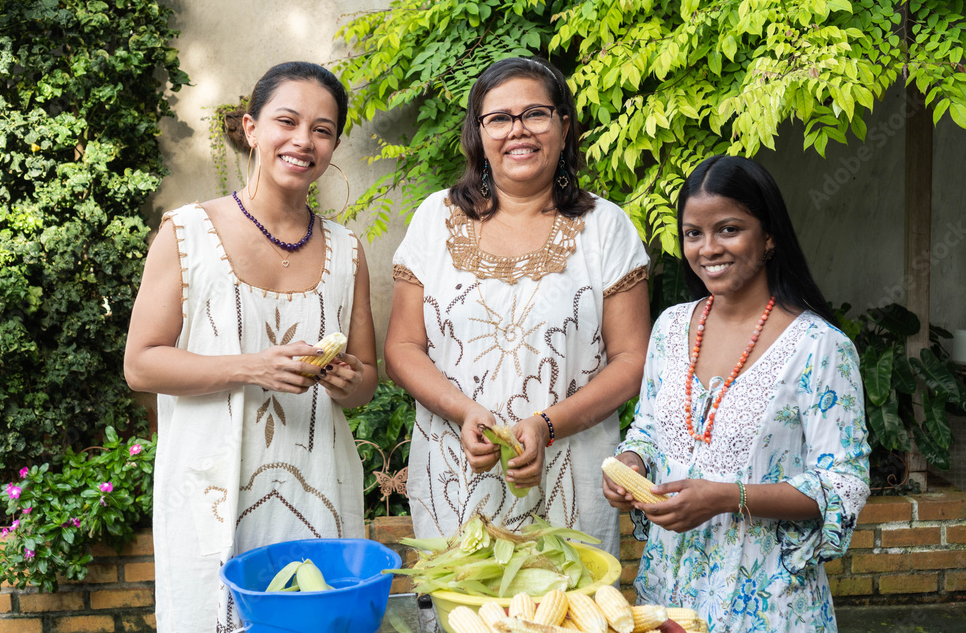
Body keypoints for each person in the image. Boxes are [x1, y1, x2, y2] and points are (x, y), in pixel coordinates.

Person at [123, 61, 377, 632]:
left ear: (334, 145)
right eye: (286, 121)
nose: (303, 141)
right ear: (252, 127)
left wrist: (345, 379)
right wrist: (253, 366)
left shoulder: (347, 251)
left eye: (323, 129)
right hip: (212, 486)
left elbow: (365, 385)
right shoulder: (187, 233)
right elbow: (141, 364)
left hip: (318, 483)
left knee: (316, 619)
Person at [385, 56, 651, 555]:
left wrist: (546, 426)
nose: (518, 131)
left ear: (564, 125)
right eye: (500, 118)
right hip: (455, 479)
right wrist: (464, 411)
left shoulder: (607, 228)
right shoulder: (433, 220)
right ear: (478, 133)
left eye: (536, 114)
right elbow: (401, 347)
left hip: (569, 481)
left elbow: (632, 361)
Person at [603, 155, 870, 632]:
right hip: (667, 599)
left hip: (769, 605)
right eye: (693, 233)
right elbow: (646, 430)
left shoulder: (820, 347)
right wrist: (632, 464)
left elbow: (843, 485)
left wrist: (728, 497)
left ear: (768, 237)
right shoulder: (669, 328)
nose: (708, 248)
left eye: (728, 229)